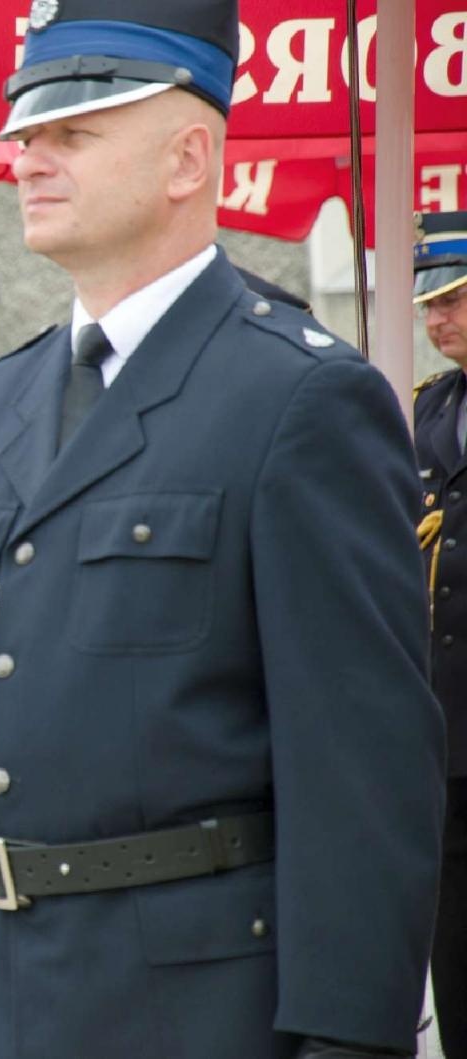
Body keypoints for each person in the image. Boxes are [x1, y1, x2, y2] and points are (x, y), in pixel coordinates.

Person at [0, 4, 445, 1058]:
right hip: (18, 991)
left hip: (204, 1004)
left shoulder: (297, 397)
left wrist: (346, 1039)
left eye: (74, 132)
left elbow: (363, 766)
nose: (28, 159)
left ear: (187, 158)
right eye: (24, 134)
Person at [412, 207, 467, 1059]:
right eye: (429, 303)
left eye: (455, 297)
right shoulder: (427, 408)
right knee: (451, 962)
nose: (436, 317)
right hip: (446, 733)